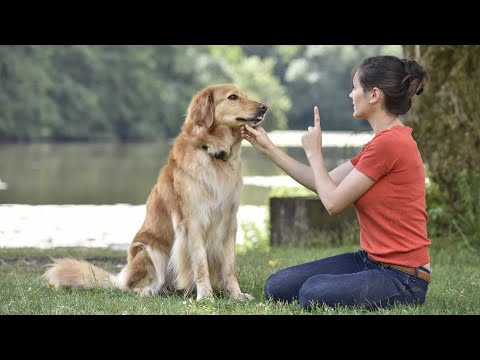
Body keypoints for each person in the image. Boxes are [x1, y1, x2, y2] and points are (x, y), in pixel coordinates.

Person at [240, 55, 430, 310]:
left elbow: (332, 203)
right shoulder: (380, 144)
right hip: (371, 261)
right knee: (276, 286)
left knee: (312, 293)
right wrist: (269, 149)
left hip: (403, 277)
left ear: (374, 95)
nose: (351, 95)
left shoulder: (390, 144)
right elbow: (325, 183)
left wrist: (315, 153)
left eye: (354, 88)